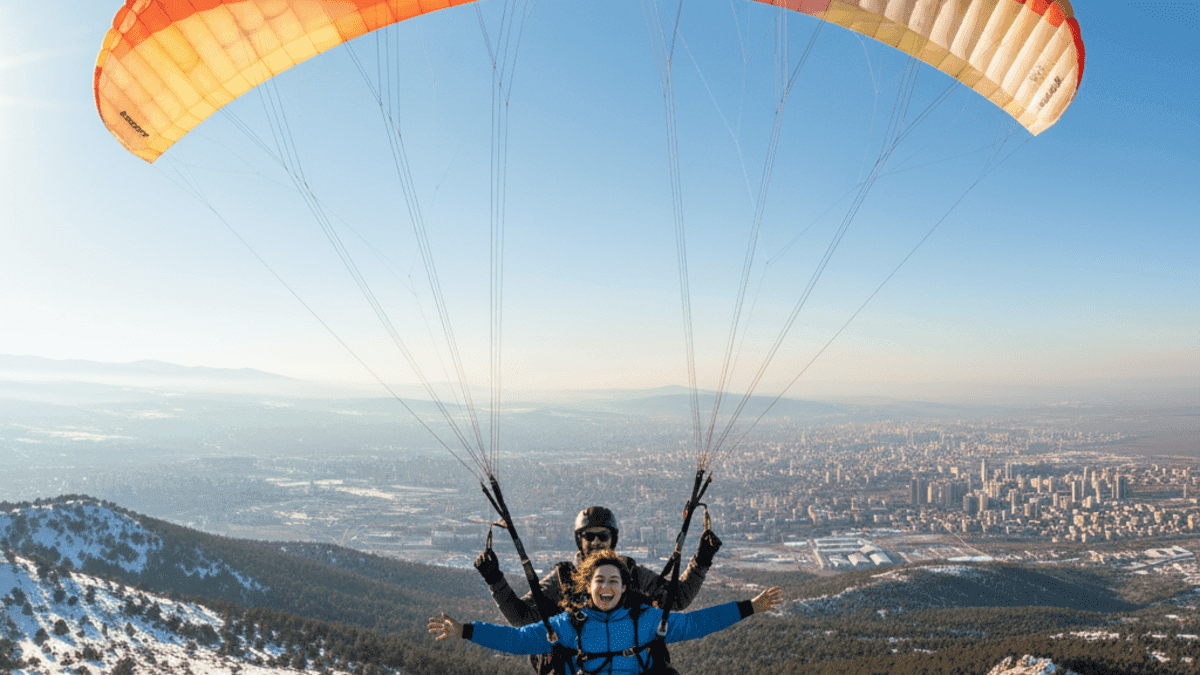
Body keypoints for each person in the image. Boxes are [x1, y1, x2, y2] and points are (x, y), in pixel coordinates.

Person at [431, 551, 783, 675]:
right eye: (599, 580)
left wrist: (750, 607)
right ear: (588, 587)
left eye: (613, 580)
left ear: (624, 587)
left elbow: (696, 624)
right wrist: (466, 631)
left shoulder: (645, 619)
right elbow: (518, 640)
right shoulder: (569, 625)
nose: (606, 587)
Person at [475, 506, 722, 629]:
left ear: (612, 540)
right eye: (588, 537)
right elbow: (521, 616)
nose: (595, 543)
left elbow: (676, 599)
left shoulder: (631, 572)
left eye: (602, 536)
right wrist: (494, 579)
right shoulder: (563, 578)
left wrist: (701, 560)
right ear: (579, 541)